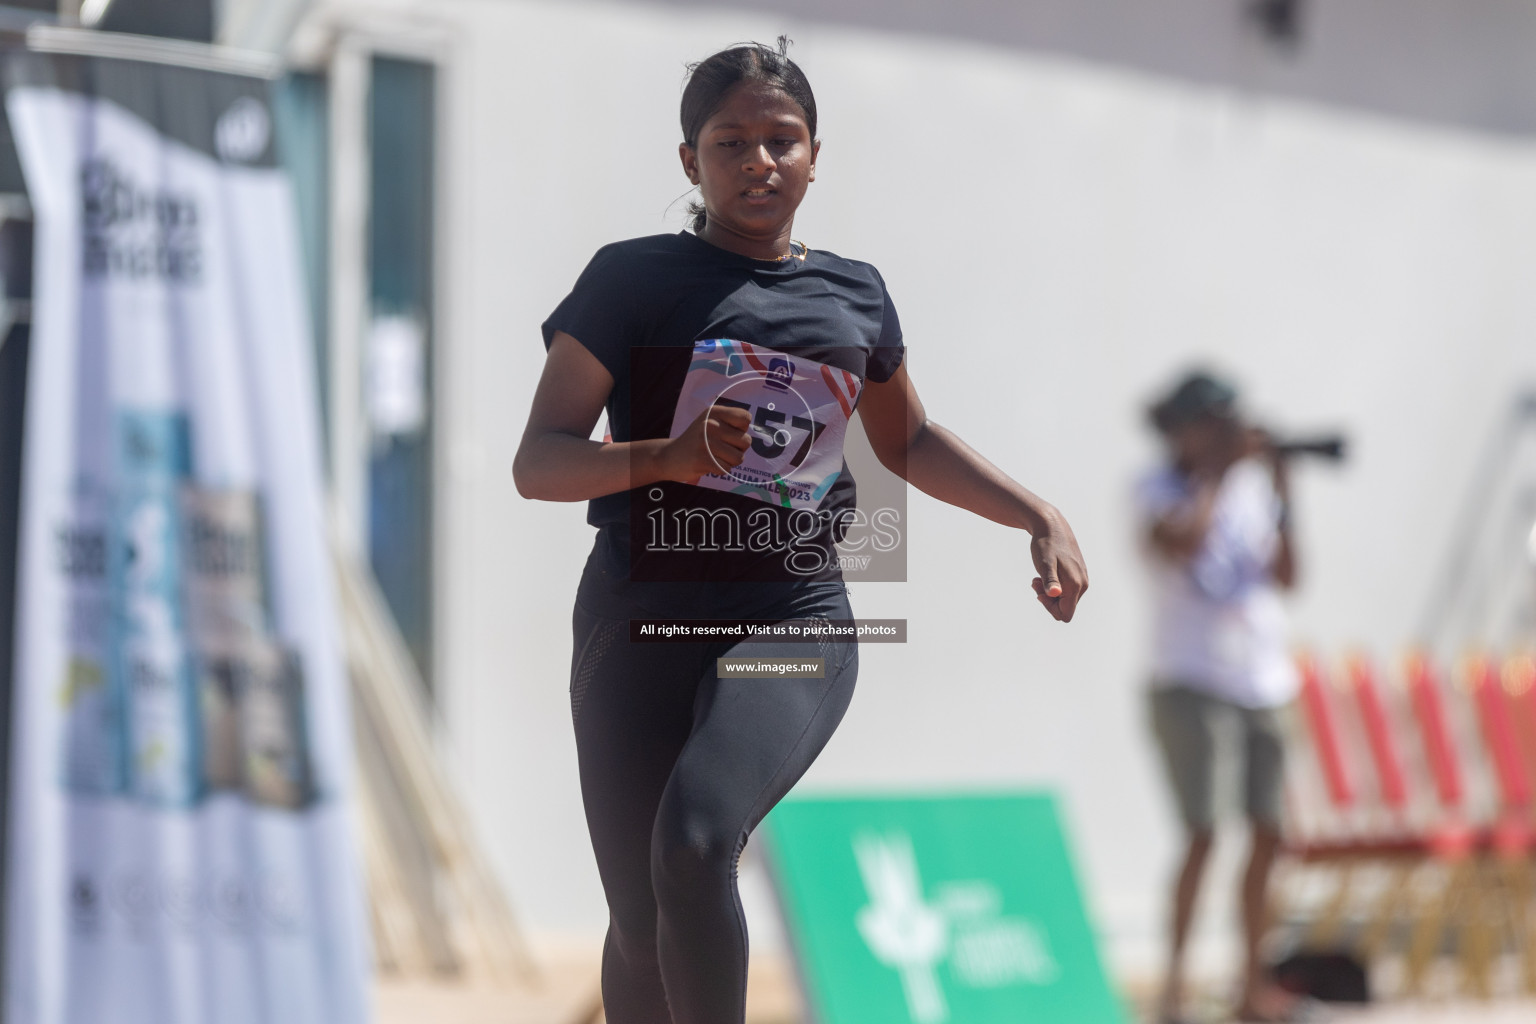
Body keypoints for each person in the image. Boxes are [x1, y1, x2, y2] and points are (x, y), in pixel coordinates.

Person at [513, 38, 1089, 1024]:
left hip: (792, 620)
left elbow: (908, 442)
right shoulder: (630, 281)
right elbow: (542, 460)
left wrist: (1039, 513)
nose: (759, 160)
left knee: (695, 840)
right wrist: (665, 456)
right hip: (639, 614)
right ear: (689, 161)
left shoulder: (854, 293)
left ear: (817, 154)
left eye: (781, 140)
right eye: (731, 141)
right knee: (641, 923)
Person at [1137, 370, 1301, 1024]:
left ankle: (1249, 986)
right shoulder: (1153, 487)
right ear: (1182, 428)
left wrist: (1285, 493)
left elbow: (1290, 576)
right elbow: (1180, 545)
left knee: (1270, 831)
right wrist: (1216, 472)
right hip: (1190, 680)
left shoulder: (1253, 489)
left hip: (1262, 679)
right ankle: (1174, 989)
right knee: (1204, 833)